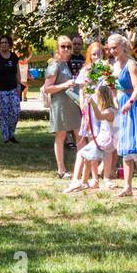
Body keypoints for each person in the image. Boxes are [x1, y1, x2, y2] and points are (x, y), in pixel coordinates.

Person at [107, 33, 137, 197]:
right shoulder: (113, 65)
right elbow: (113, 88)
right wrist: (114, 100)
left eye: (115, 47)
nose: (112, 51)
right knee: (125, 149)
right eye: (110, 48)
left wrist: (129, 103)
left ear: (122, 46)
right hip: (121, 106)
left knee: (135, 148)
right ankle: (127, 187)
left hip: (133, 106)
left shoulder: (131, 64)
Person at [65, 81, 116, 194]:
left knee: (80, 154)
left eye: (97, 98)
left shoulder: (108, 111)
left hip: (104, 141)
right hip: (109, 142)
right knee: (89, 156)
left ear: (102, 98)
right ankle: (85, 181)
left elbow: (99, 116)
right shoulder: (114, 109)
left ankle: (76, 180)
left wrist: (92, 103)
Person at [45, 36, 83, 179]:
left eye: (68, 46)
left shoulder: (68, 63)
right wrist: (64, 85)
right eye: (63, 46)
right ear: (57, 48)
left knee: (80, 135)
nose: (66, 49)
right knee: (60, 136)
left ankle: (81, 169)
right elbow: (47, 88)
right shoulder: (54, 65)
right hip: (60, 105)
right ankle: (61, 169)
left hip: (73, 104)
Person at [0, 35, 22, 143]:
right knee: (3, 114)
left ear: (9, 44)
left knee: (15, 113)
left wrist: (19, 85)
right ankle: (6, 137)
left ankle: (11, 134)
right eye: (2, 42)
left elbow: (17, 72)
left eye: (6, 42)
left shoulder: (14, 56)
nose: (4, 44)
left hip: (13, 89)